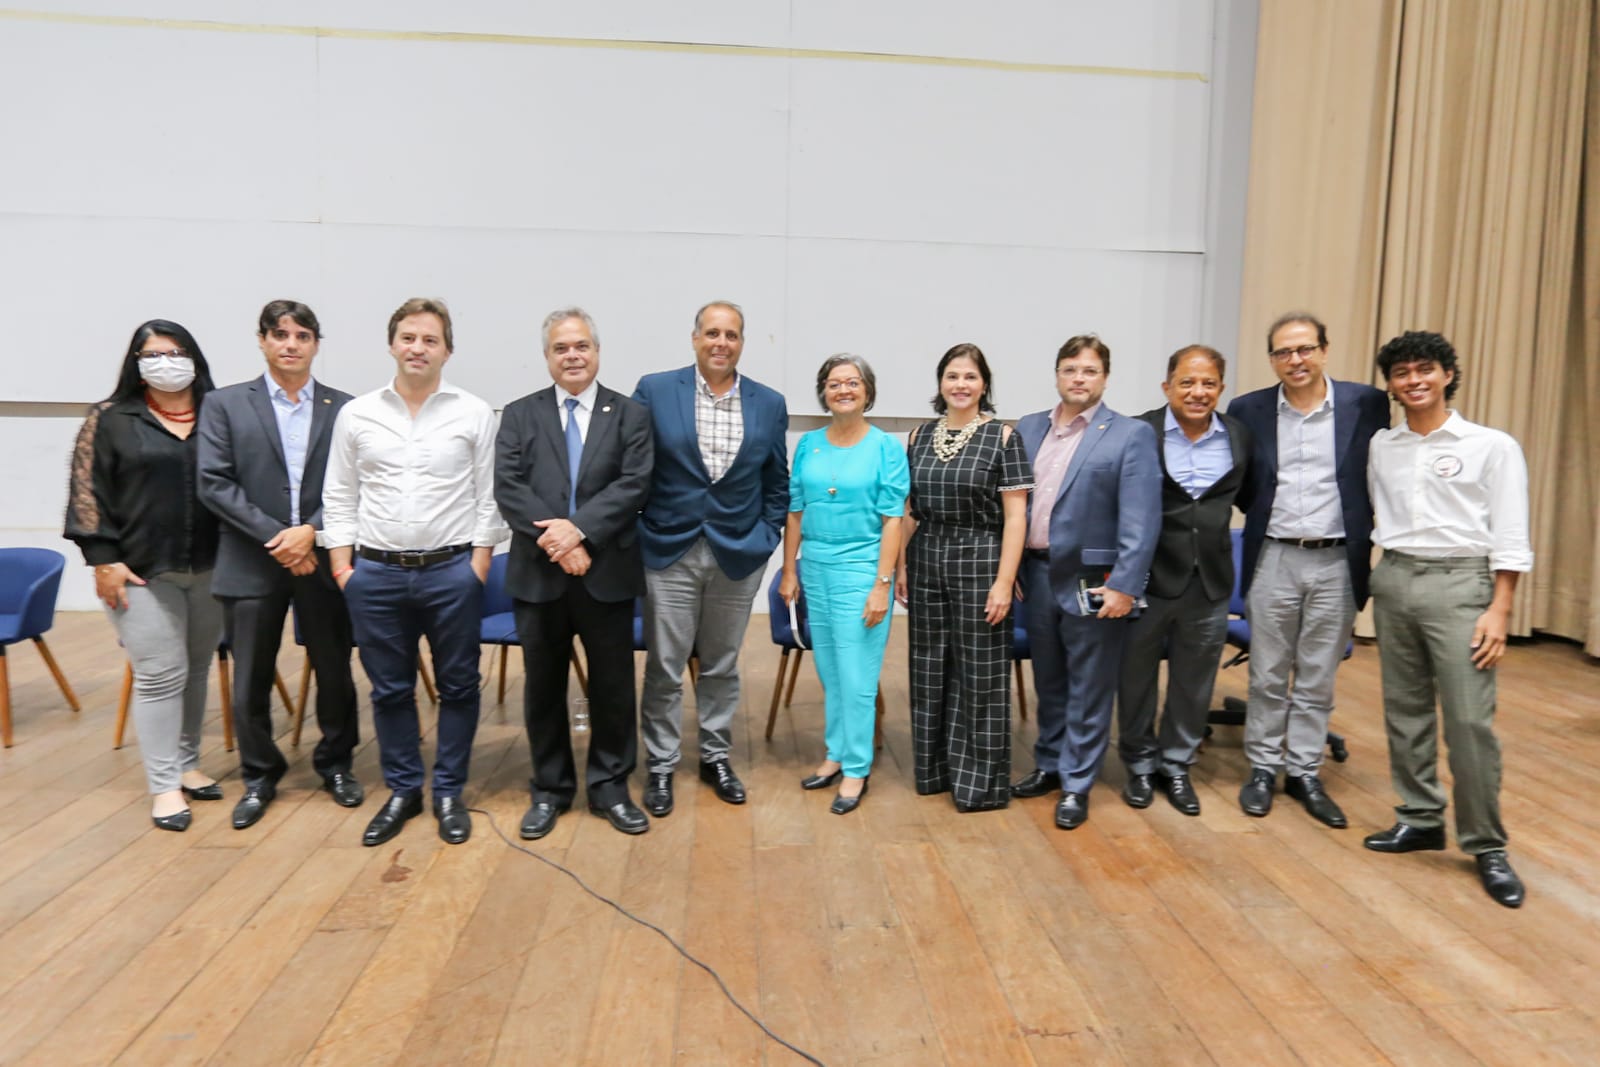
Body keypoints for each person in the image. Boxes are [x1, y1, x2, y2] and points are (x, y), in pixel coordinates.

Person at [322, 298, 506, 847]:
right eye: (408, 337)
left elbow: (488, 497)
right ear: (392, 344)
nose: (417, 348)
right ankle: (403, 789)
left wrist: (477, 567)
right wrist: (342, 567)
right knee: (389, 690)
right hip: (375, 575)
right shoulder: (358, 414)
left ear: (447, 350)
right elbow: (339, 493)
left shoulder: (474, 412)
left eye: (430, 339)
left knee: (459, 686)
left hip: (451, 572)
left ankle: (448, 791)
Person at [1362, 331, 1532, 908]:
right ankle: (1420, 817)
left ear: (1447, 374)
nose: (1414, 381)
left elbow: (1511, 533)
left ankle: (1487, 844)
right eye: (1402, 373)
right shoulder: (1382, 445)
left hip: (1462, 585)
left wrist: (1499, 609)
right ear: (1390, 385)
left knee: (1468, 722)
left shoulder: (1491, 446)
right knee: (1405, 710)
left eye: (1424, 369)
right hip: (1395, 578)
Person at [197, 300, 363, 831]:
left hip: (322, 556)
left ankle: (336, 764)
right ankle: (259, 774)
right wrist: (279, 537)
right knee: (250, 676)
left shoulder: (346, 408)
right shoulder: (223, 404)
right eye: (280, 334)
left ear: (316, 344)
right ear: (262, 340)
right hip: (251, 558)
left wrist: (310, 531)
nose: (291, 344)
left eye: (302, 336)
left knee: (334, 668)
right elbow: (214, 482)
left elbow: (357, 482)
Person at [495, 308, 654, 840]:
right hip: (539, 575)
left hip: (606, 572)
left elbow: (635, 484)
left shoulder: (630, 415)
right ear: (547, 356)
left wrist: (580, 531)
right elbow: (509, 487)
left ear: (597, 352)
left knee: (612, 687)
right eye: (561, 348)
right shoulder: (519, 414)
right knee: (543, 688)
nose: (572, 356)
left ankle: (610, 788)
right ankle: (550, 789)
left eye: (581, 346)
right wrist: (561, 543)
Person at [1228, 312, 1388, 827]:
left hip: (1338, 558)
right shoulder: (1248, 409)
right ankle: (1262, 767)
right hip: (1274, 554)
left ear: (1323, 350)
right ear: (1271, 359)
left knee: (1318, 674)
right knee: (1268, 672)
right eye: (1282, 352)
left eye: (1304, 349)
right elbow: (1244, 485)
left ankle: (1303, 771)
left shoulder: (1366, 404)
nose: (1294, 360)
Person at [65, 320, 223, 831]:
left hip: (212, 567)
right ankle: (164, 786)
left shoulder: (218, 412)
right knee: (159, 674)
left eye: (175, 352)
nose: (165, 363)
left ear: (194, 358)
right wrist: (102, 560)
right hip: (139, 571)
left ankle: (187, 763)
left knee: (196, 669)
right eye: (152, 355)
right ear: (135, 363)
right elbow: (87, 492)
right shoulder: (110, 418)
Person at [632, 301, 789, 816]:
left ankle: (715, 756)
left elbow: (776, 482)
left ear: (742, 342)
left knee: (721, 664)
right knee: (665, 665)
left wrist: (766, 535)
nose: (722, 343)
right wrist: (639, 530)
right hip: (669, 550)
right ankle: (661, 763)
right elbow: (631, 467)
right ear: (695, 337)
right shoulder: (655, 390)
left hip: (737, 554)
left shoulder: (769, 403)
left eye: (732, 335)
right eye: (713, 333)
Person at [1012, 335, 1161, 829]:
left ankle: (1077, 783)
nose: (1079, 378)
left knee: (1090, 687)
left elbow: (1141, 519)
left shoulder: (1130, 434)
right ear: (1057, 374)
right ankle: (1050, 764)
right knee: (1049, 679)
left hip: (1094, 581)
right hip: (1036, 573)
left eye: (1090, 370)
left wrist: (1125, 585)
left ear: (1105, 378)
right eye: (1071, 369)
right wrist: (1009, 569)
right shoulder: (1029, 427)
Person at [896, 343, 1031, 812]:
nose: (960, 384)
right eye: (952, 376)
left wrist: (1004, 581)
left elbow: (1016, 517)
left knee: (980, 671)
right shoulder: (918, 436)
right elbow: (909, 510)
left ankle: (979, 784)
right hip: (926, 555)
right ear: (940, 382)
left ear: (984, 384)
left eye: (970, 376)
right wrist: (900, 566)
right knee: (929, 667)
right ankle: (934, 772)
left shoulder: (1004, 437)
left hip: (981, 556)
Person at [1116, 345, 1250, 815]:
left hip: (1209, 581)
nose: (1198, 392)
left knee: (1194, 684)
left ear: (1221, 388)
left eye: (1208, 383)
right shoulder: (1138, 432)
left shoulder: (1238, 436)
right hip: (1146, 580)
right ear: (1167, 386)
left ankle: (1176, 765)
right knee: (1135, 680)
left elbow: (1247, 497)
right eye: (1187, 382)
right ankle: (1138, 764)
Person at [780, 355, 909, 815]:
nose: (844, 390)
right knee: (831, 671)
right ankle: (835, 753)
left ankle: (857, 767)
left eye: (853, 382)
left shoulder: (886, 447)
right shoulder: (808, 444)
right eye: (834, 383)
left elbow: (893, 519)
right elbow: (795, 511)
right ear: (824, 392)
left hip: (862, 569)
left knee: (857, 678)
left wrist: (882, 584)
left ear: (867, 391)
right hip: (815, 567)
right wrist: (789, 571)